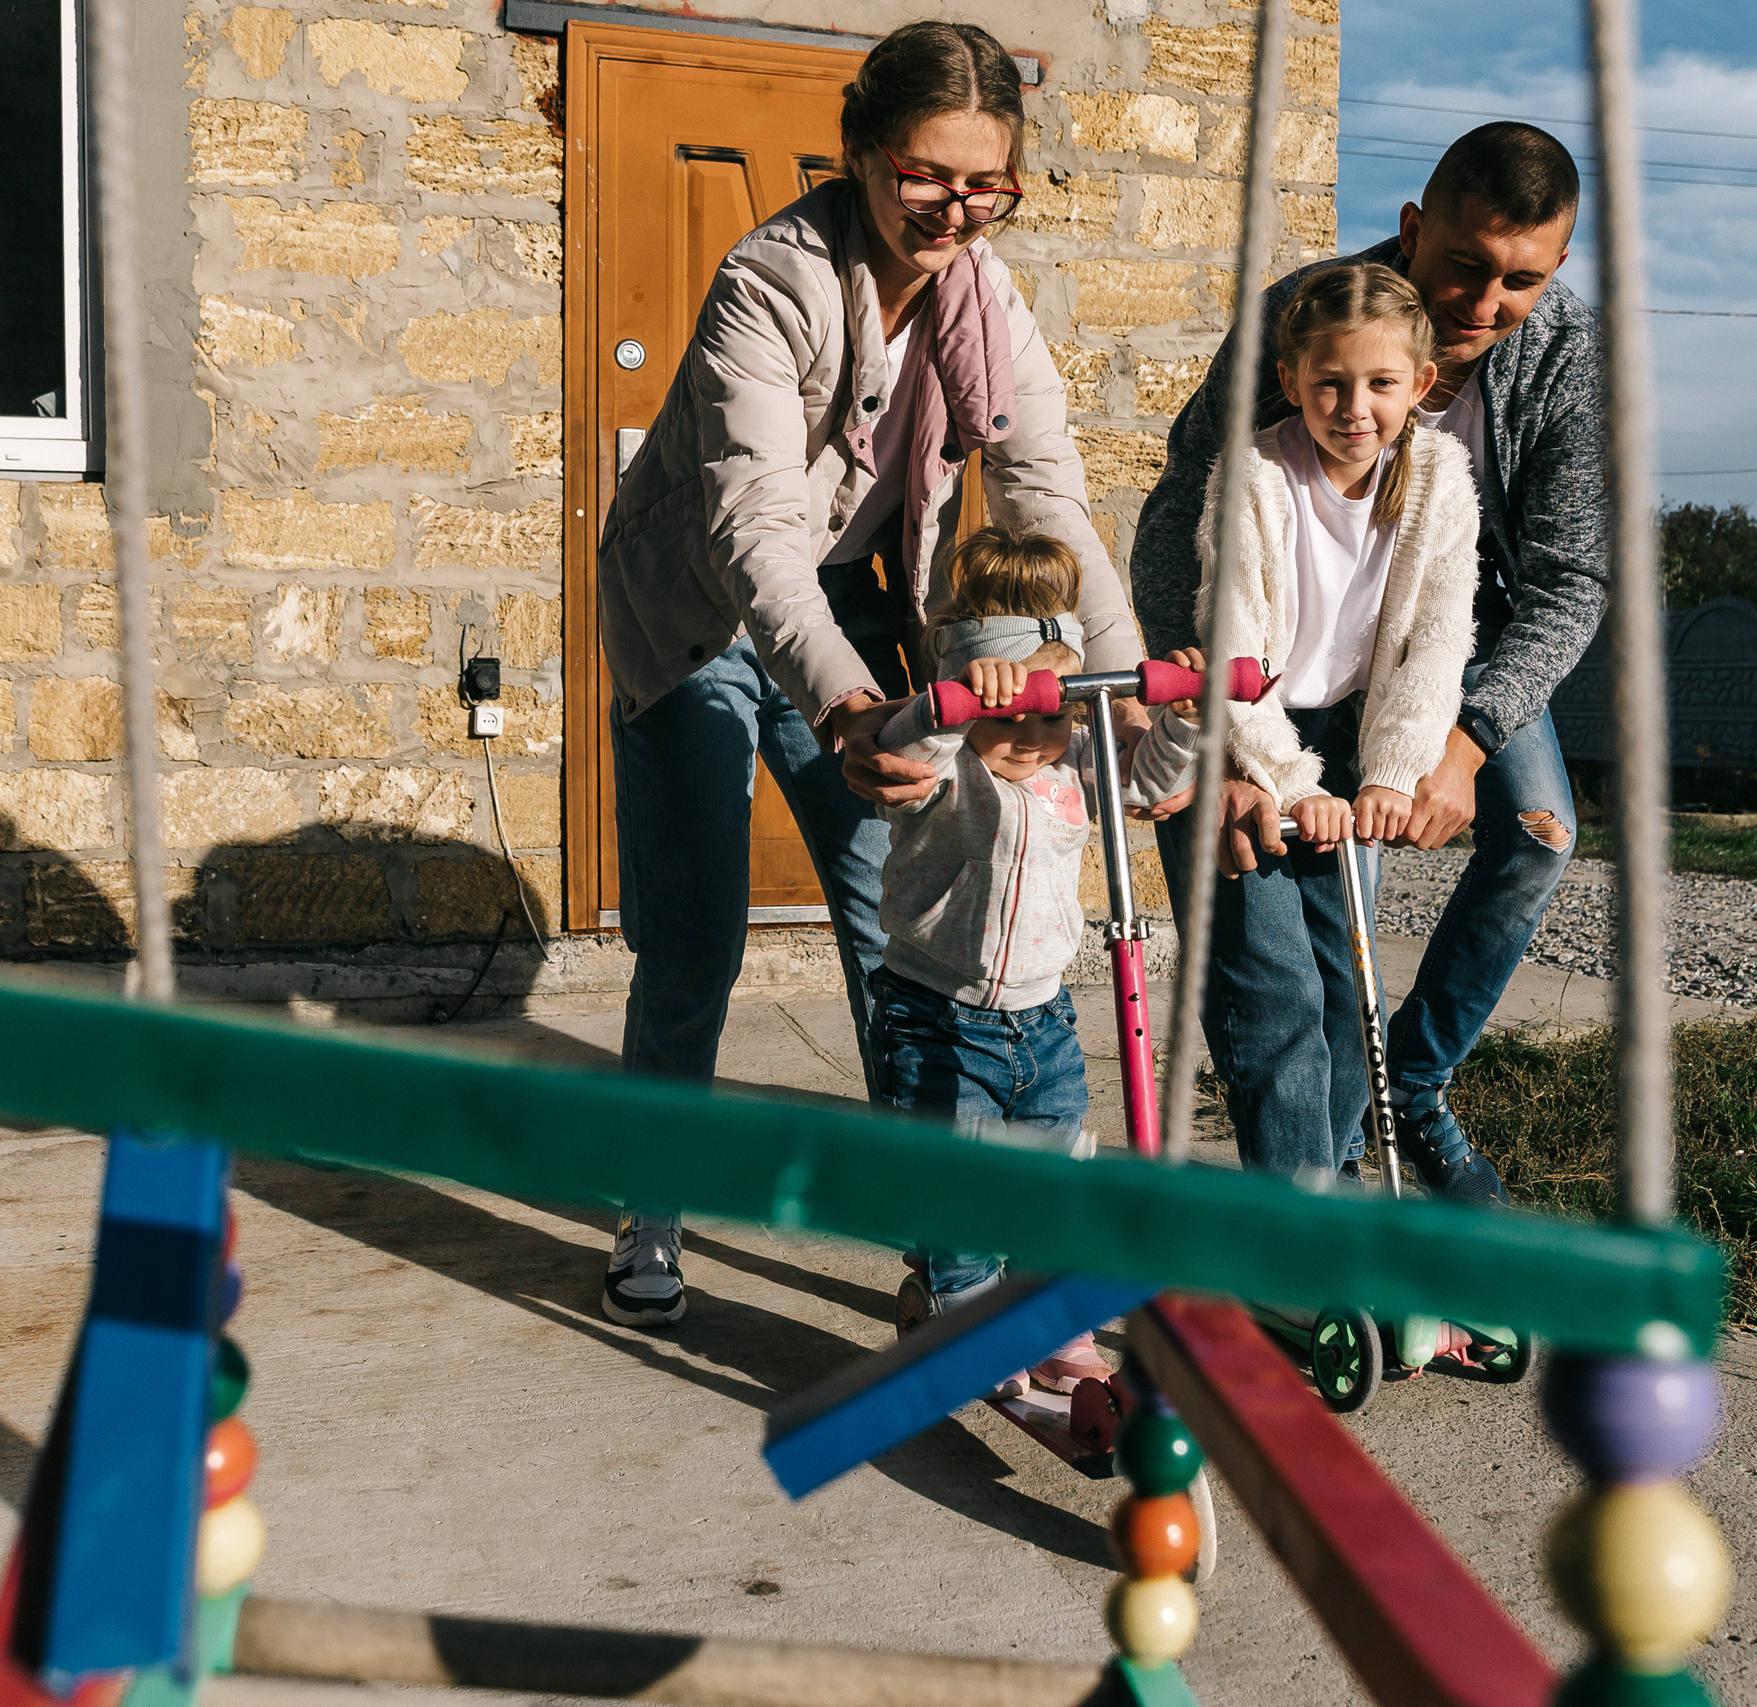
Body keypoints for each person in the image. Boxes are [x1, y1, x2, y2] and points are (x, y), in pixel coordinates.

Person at [594, 23, 1146, 1327]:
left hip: (849, 602)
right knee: (697, 943)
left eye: (987, 182)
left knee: (897, 923)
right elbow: (751, 531)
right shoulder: (769, 281)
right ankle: (649, 1207)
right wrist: (846, 705)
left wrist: (1128, 701)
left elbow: (1050, 502)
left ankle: (937, 1227)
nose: (957, 207)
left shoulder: (986, 307)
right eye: (927, 174)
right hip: (696, 616)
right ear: (859, 153)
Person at [1130, 121, 1603, 1204]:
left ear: (1559, 267)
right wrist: (1217, 720)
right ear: (1412, 228)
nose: (1484, 305)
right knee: (1327, 920)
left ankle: (1409, 1090)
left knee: (1538, 836)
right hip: (1282, 651)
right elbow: (1182, 517)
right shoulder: (1307, 324)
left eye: (1519, 282)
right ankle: (1323, 1167)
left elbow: (1570, 578)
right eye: (1464, 268)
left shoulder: (1569, 357)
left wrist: (1465, 738)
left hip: (1453, 630)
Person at [862, 528, 1202, 1392]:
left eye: (1054, 712)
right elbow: (911, 738)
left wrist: (1182, 723)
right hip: (936, 1015)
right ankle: (971, 1311)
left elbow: (1149, 787)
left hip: (1043, 1021)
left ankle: (1054, 1321)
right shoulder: (942, 768)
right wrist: (952, 703)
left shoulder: (1073, 758)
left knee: (1056, 1188)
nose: (1033, 734)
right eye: (1009, 715)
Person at [1179, 264, 1481, 1186]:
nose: (1355, 407)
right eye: (1331, 384)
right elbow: (1228, 636)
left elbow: (1436, 638)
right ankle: (1296, 1220)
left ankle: (1328, 1187)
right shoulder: (1257, 473)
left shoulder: (1439, 479)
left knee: (1349, 990)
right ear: (1291, 381)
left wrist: (1391, 771)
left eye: (1381, 383)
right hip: (1251, 733)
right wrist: (1290, 782)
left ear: (1420, 385)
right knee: (1276, 992)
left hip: (1360, 737)